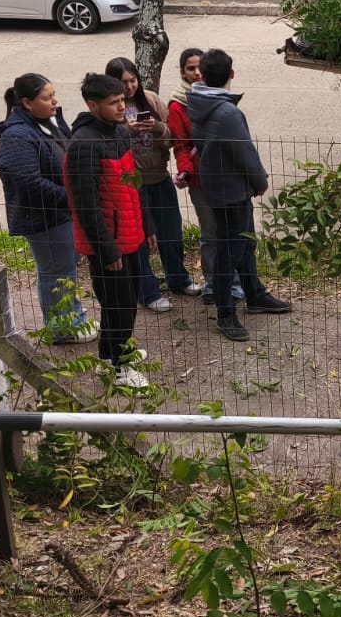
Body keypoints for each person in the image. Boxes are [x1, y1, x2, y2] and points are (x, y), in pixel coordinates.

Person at [187, 49, 291, 341]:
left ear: (203, 76)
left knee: (245, 244)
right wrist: (260, 181)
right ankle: (226, 313)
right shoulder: (227, 112)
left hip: (220, 186)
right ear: (232, 74)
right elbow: (244, 153)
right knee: (230, 251)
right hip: (231, 191)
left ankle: (255, 294)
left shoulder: (199, 103)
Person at [64, 72, 151, 389]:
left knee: (127, 302)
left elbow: (133, 183)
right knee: (119, 305)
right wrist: (106, 249)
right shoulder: (83, 145)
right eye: (114, 103)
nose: (121, 107)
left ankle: (106, 357)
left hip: (130, 233)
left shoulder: (119, 133)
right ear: (92, 105)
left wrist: (148, 225)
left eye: (123, 101)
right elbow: (85, 204)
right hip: (109, 243)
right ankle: (121, 368)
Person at [0, 73, 95, 344]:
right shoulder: (17, 137)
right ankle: (63, 328)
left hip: (61, 213)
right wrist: (71, 198)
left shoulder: (47, 123)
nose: (54, 101)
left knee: (65, 268)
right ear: (27, 103)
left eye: (54, 95)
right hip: (44, 218)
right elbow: (29, 181)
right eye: (47, 97)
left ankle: (72, 316)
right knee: (55, 272)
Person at [103, 57, 185, 310]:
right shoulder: (111, 107)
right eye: (122, 82)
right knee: (139, 239)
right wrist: (128, 131)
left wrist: (158, 128)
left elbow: (172, 138)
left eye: (132, 81)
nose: (128, 88)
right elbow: (108, 147)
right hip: (131, 181)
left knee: (171, 233)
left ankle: (178, 279)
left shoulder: (149, 99)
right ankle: (147, 292)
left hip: (159, 175)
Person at [165, 47, 242, 312]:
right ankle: (211, 283)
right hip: (200, 180)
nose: (196, 73)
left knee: (231, 233)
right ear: (182, 73)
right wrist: (187, 170)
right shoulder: (177, 105)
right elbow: (181, 145)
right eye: (190, 68)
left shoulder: (217, 98)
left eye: (200, 67)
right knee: (210, 234)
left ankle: (234, 282)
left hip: (226, 179)